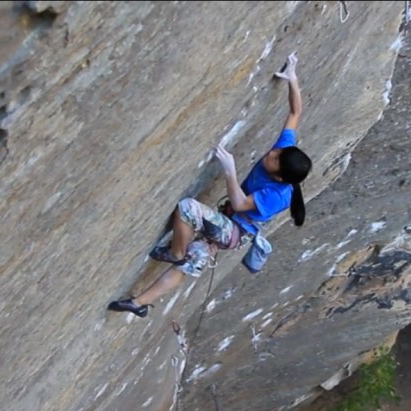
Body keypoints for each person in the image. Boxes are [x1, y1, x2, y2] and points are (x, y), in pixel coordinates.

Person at [108, 52, 312, 317]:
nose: (271, 154)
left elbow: (239, 204)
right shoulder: (284, 154)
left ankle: (175, 251)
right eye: (276, 153)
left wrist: (230, 171)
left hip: (234, 231)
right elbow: (296, 111)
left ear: (281, 177)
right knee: (188, 265)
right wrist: (292, 78)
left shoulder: (278, 195)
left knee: (188, 209)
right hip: (230, 224)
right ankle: (137, 304)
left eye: (275, 160)